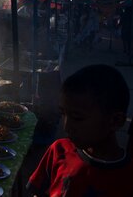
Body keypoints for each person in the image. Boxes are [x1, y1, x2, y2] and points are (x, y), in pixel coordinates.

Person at [26, 64, 133, 196]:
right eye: (63, 114)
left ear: (115, 121)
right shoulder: (59, 150)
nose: (66, 127)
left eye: (77, 118)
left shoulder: (127, 177)